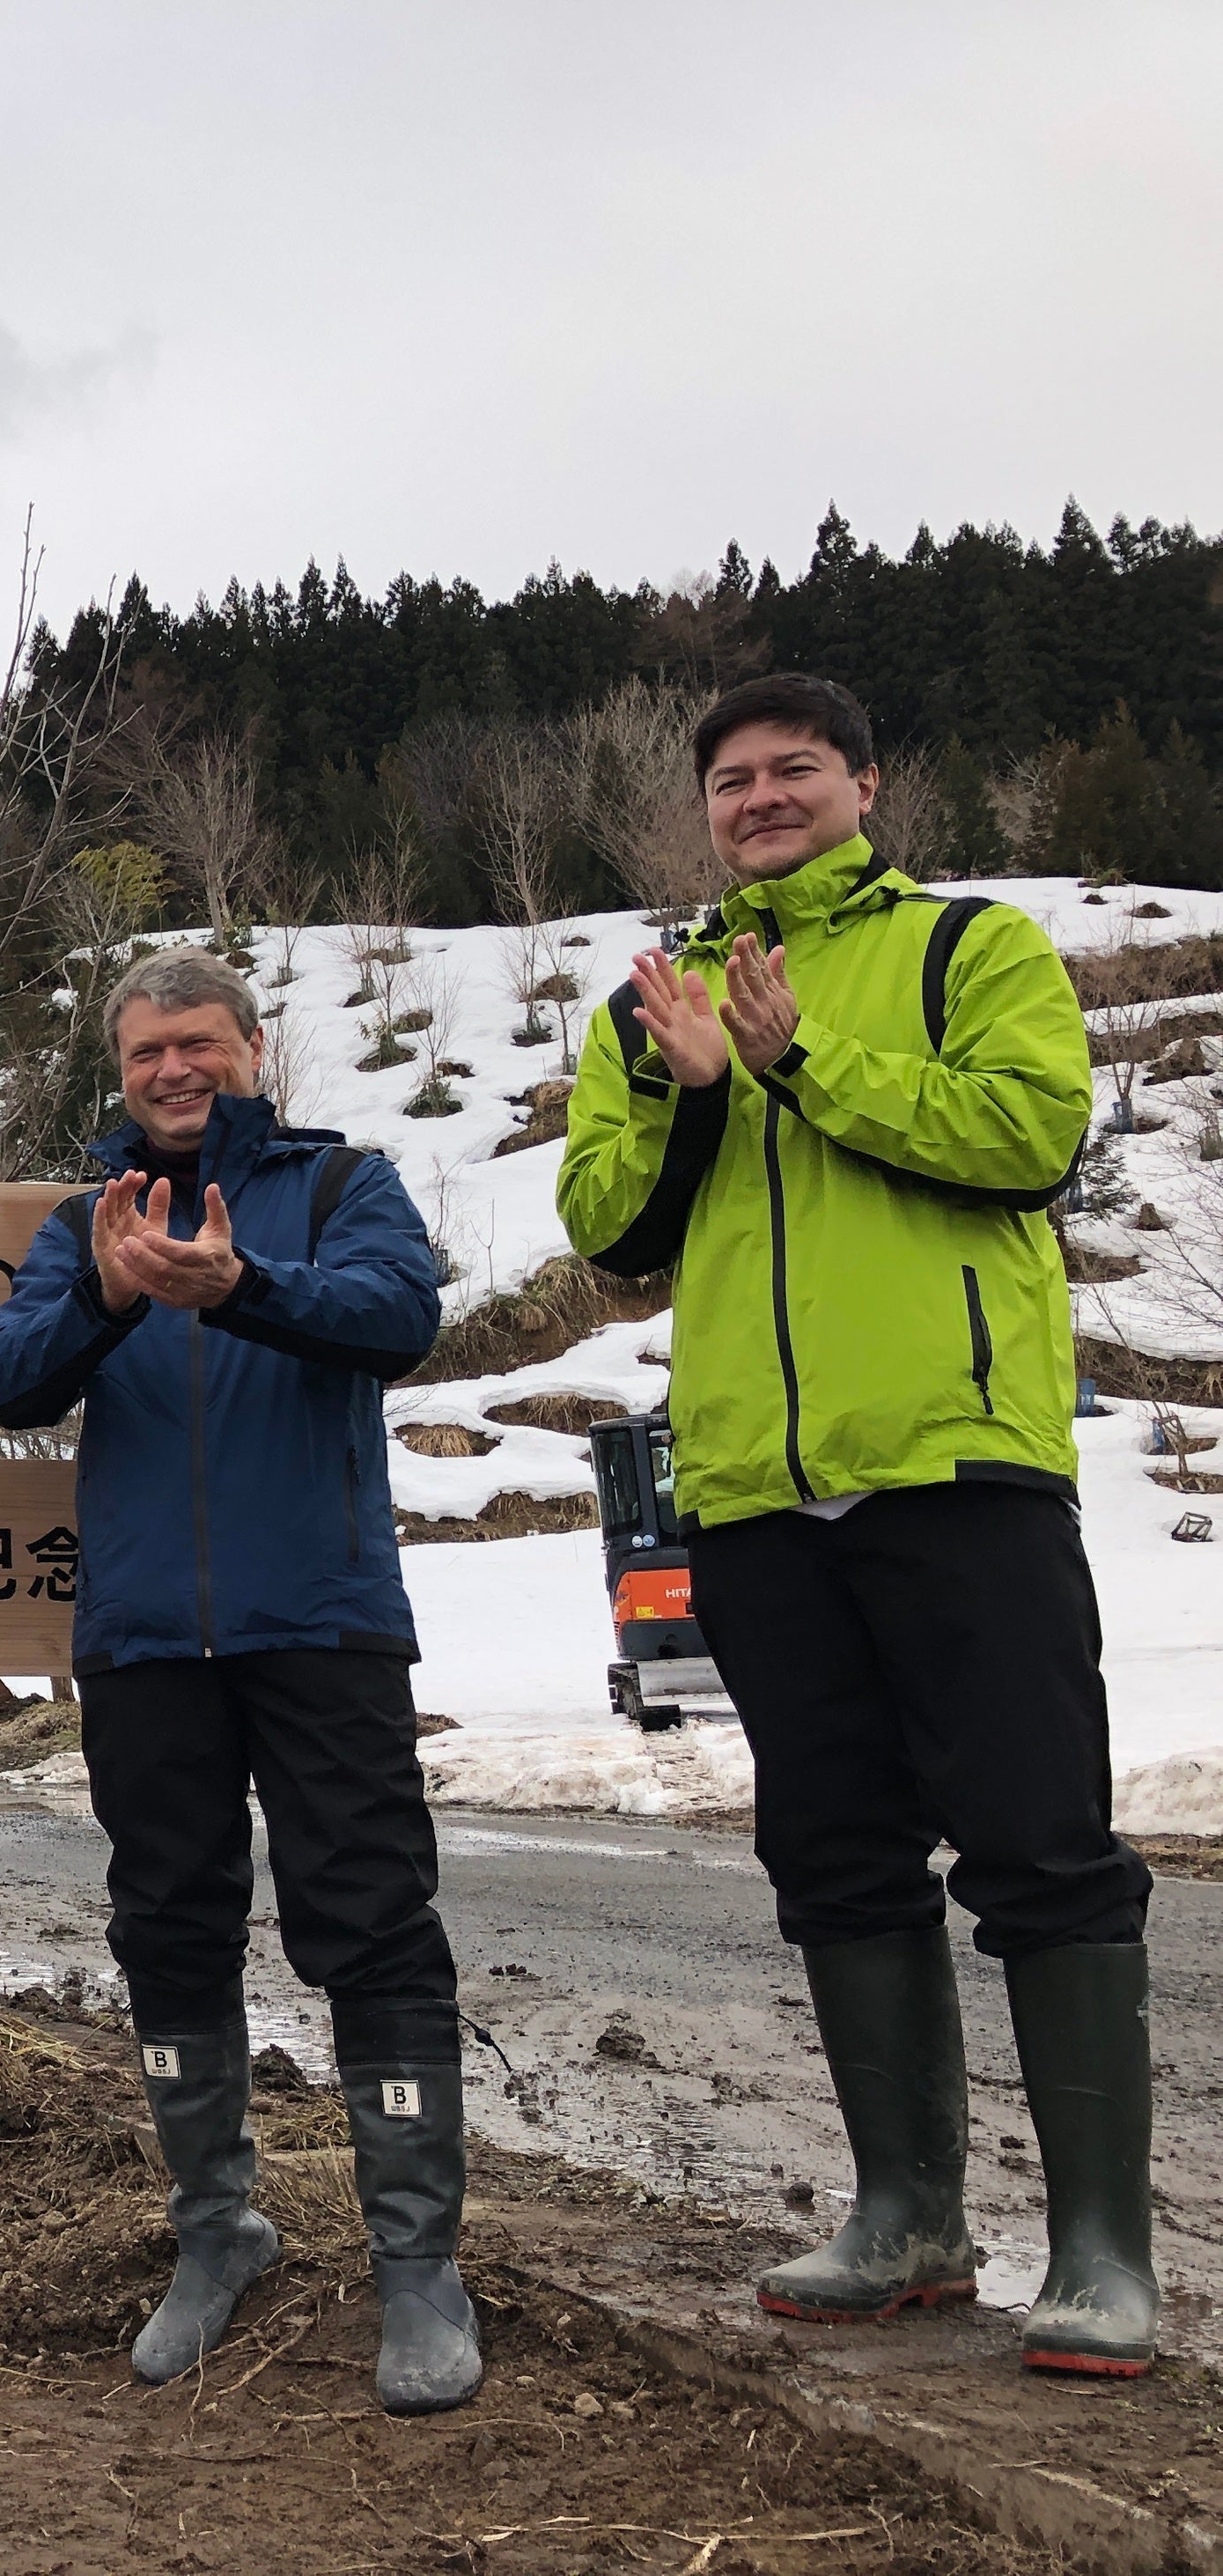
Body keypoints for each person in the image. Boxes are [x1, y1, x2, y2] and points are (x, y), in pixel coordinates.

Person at [556, 673, 1148, 2373]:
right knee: (831, 1850)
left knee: (1039, 1839)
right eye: (731, 779)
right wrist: (691, 1087)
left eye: (793, 769)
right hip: (756, 1489)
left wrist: (803, 1057)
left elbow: (1030, 1134)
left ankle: (1105, 2252)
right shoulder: (649, 1001)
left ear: (866, 784)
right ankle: (908, 2219)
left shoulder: (970, 949)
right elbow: (610, 1226)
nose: (759, 797)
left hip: (957, 1463)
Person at [0, 950, 473, 2414]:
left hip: (321, 1622)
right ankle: (215, 2232)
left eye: (198, 1042)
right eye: (146, 1052)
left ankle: (417, 2263)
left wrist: (241, 1285)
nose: (174, 1070)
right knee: (168, 1927)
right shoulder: (83, 1222)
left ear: (253, 1047)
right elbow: (9, 1380)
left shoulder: (341, 1185)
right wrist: (112, 1294)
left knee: (372, 1919)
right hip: (142, 1642)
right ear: (120, 1072)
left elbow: (399, 1315)